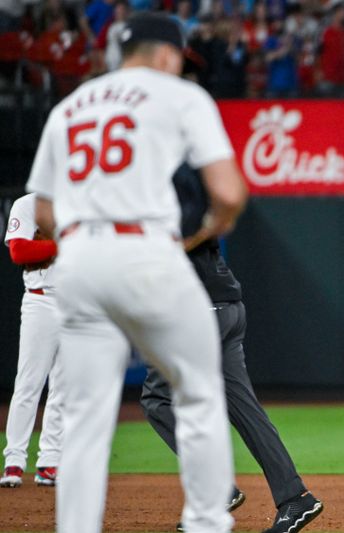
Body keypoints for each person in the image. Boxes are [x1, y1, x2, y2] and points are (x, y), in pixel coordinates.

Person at [25, 12, 247, 533]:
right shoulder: (180, 96)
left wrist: (82, 238)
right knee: (197, 390)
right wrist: (202, 232)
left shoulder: (68, 107)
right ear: (165, 54)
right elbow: (230, 192)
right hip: (148, 250)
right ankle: (206, 524)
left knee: (83, 417)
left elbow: (42, 211)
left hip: (76, 262)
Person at [141, 164, 323, 533]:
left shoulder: (169, 183)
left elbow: (202, 223)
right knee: (245, 410)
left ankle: (215, 486)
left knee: (157, 399)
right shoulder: (183, 182)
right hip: (224, 307)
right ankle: (295, 498)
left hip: (202, 311)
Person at [0, 193, 63, 488]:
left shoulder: (86, 198)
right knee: (28, 384)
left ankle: (49, 462)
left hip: (79, 303)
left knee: (64, 388)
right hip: (42, 302)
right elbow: (19, 252)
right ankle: (14, 461)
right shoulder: (28, 204)